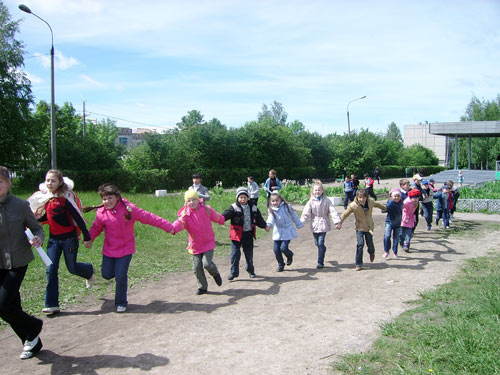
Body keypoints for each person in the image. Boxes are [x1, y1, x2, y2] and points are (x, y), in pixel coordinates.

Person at [83, 184, 174, 313]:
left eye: (110, 198)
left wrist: (168, 226)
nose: (107, 202)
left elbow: (149, 217)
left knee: (120, 276)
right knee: (106, 274)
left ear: (117, 197)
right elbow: (95, 228)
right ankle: (91, 271)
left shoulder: (128, 209)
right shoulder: (101, 212)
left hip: (125, 250)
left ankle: (121, 302)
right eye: (104, 199)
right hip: (109, 250)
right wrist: (89, 239)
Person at [27, 170, 93, 315]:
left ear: (60, 182)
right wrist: (26, 222)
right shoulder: (46, 199)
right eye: (47, 180)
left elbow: (78, 218)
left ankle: (89, 271)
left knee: (72, 268)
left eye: (53, 181)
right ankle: (51, 304)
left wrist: (87, 236)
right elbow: (46, 218)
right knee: (51, 270)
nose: (50, 183)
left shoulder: (66, 199)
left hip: (69, 240)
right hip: (53, 241)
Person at [0, 166, 45, 359]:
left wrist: (37, 238)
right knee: (11, 306)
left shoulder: (20, 205)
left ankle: (34, 326)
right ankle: (31, 340)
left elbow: (37, 229)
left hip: (18, 260)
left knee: (2, 306)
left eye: (0, 182)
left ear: (8, 184)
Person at [172, 190, 225, 295]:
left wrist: (222, 219)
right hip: (195, 246)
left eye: (194, 200)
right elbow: (179, 224)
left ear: (198, 200)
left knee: (207, 264)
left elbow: (217, 217)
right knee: (196, 267)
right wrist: (172, 228)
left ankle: (215, 274)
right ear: (186, 203)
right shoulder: (185, 215)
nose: (192, 202)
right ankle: (202, 287)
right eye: (189, 201)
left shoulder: (206, 209)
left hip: (208, 243)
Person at [222, 187, 268, 280]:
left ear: (248, 198)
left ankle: (250, 269)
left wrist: (264, 226)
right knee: (235, 254)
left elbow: (259, 219)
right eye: (240, 197)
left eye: (244, 197)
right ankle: (234, 272)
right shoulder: (234, 207)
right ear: (237, 198)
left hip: (248, 234)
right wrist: (219, 218)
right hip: (236, 235)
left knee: (249, 254)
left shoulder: (253, 207)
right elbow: (225, 215)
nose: (242, 199)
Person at [340, 189, 386, 271]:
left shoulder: (370, 202)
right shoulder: (353, 205)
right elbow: (345, 214)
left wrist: (385, 208)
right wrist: (339, 222)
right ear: (357, 197)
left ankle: (371, 252)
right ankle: (358, 264)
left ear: (367, 197)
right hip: (359, 228)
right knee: (360, 245)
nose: (362, 199)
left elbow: (378, 204)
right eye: (360, 197)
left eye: (364, 197)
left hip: (369, 227)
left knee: (370, 243)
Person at [300, 180, 341, 269]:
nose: (317, 192)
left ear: (322, 191)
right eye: (315, 190)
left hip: (324, 223)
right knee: (317, 243)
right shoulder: (310, 201)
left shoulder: (327, 201)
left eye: (319, 190)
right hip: (314, 224)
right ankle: (323, 249)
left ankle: (320, 262)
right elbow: (305, 213)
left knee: (321, 242)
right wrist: (301, 222)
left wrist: (337, 222)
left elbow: (333, 211)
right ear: (312, 192)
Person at [266, 192, 303, 272]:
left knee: (283, 248)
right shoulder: (271, 210)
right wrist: (268, 225)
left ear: (280, 200)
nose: (275, 202)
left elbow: (294, 215)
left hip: (287, 230)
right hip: (278, 231)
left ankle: (289, 255)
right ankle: (280, 264)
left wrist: (298, 224)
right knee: (276, 249)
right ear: (270, 202)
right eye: (273, 201)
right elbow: (270, 219)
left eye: (277, 200)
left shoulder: (287, 207)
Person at [383, 188, 403, 258]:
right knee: (387, 236)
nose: (396, 197)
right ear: (391, 197)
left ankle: (395, 252)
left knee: (396, 238)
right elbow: (386, 208)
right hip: (390, 222)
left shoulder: (401, 203)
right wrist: (384, 210)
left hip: (398, 223)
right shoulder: (390, 203)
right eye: (395, 196)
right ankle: (386, 250)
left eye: (398, 196)